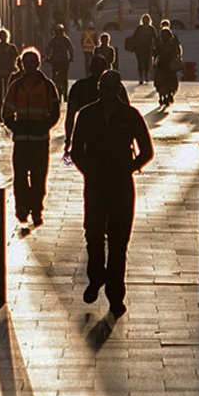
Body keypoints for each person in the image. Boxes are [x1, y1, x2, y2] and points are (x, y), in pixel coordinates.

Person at [70, 70, 153, 317]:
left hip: (121, 185)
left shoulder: (130, 116)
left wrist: (128, 168)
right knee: (93, 236)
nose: (106, 93)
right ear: (99, 89)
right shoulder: (87, 115)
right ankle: (96, 278)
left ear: (118, 89)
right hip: (95, 184)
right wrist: (89, 171)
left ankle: (116, 296)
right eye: (103, 88)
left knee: (119, 243)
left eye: (110, 88)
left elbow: (147, 150)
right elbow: (76, 151)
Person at [2, 48, 61, 227]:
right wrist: (16, 127)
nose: (29, 66)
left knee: (38, 177)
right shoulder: (16, 86)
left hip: (40, 141)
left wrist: (43, 126)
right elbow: (7, 112)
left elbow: (55, 111)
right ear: (22, 65)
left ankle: (36, 209)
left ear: (37, 64)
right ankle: (22, 207)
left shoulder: (47, 86)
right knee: (20, 176)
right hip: (21, 141)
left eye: (32, 63)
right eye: (26, 63)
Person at [64, 55, 129, 156]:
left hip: (98, 139)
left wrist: (68, 139)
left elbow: (70, 115)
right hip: (107, 140)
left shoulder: (79, 87)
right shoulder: (116, 87)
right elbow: (127, 113)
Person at [44, 24, 75, 101]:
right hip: (55, 61)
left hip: (64, 61)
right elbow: (48, 49)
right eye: (57, 32)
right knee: (54, 76)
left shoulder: (66, 40)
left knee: (64, 77)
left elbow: (71, 49)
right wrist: (47, 57)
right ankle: (54, 92)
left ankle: (65, 94)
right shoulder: (52, 41)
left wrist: (71, 58)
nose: (59, 34)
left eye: (60, 32)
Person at [153, 27, 182, 107]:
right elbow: (176, 55)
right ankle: (169, 95)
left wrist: (154, 64)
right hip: (169, 66)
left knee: (160, 82)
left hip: (161, 65)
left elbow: (154, 55)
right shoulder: (172, 45)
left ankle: (162, 97)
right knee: (170, 82)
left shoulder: (160, 45)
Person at [131, 15, 157, 84]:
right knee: (140, 62)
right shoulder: (139, 28)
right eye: (144, 19)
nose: (146, 21)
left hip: (148, 47)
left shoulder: (151, 29)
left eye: (147, 19)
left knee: (146, 62)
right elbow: (134, 37)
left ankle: (145, 75)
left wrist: (154, 46)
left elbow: (155, 38)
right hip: (139, 48)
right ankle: (141, 77)